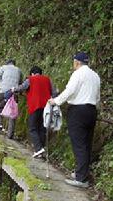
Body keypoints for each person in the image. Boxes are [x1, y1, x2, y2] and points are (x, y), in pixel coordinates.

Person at [49, 52, 100, 188]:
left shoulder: (78, 74)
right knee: (86, 144)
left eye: (73, 62)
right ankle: (81, 172)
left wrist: (56, 101)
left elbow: (69, 90)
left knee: (79, 144)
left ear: (77, 62)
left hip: (78, 111)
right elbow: (98, 96)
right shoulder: (95, 75)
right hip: (92, 110)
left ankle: (81, 179)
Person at [12, 66, 57, 157]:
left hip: (35, 106)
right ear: (40, 73)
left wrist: (13, 89)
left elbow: (22, 87)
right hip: (46, 107)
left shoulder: (30, 79)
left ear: (32, 73)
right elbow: (54, 92)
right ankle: (41, 149)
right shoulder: (47, 79)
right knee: (42, 127)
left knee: (32, 127)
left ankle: (38, 148)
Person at [0, 59, 23, 139]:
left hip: (4, 91)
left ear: (7, 63)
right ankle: (10, 134)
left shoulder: (4, 68)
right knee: (13, 111)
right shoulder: (18, 70)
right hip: (14, 92)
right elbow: (21, 82)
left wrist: (0, 80)